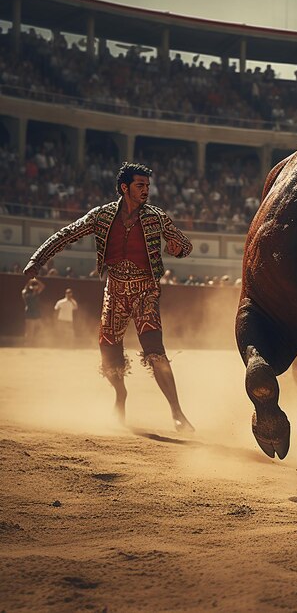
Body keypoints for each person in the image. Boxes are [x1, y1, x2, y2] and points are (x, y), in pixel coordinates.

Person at [23, 162, 195, 433]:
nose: (146, 191)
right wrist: (38, 258)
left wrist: (177, 249)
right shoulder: (101, 216)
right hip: (114, 291)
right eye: (140, 186)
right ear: (124, 188)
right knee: (108, 351)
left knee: (155, 350)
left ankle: (177, 412)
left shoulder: (157, 217)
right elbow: (66, 234)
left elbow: (184, 245)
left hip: (145, 290)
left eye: (148, 186)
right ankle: (120, 395)